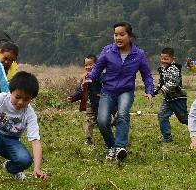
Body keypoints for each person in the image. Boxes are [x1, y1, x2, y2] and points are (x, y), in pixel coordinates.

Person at [86, 22, 155, 161]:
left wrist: (149, 90)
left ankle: (120, 146)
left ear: (129, 36)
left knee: (123, 113)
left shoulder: (139, 54)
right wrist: (90, 78)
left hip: (126, 91)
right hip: (108, 91)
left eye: (122, 34)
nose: (118, 37)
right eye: (116, 34)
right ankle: (112, 147)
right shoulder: (107, 50)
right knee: (102, 121)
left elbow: (147, 75)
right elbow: (97, 68)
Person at [67, 54, 101, 146]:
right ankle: (88, 139)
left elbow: (107, 87)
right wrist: (73, 97)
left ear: (97, 65)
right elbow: (80, 91)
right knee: (89, 120)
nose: (87, 67)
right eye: (86, 65)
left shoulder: (100, 76)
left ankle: (114, 121)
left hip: (101, 103)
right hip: (90, 104)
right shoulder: (83, 78)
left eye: (90, 64)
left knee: (103, 120)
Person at [156, 47, 187, 143]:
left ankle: (195, 124)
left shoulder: (175, 68)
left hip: (178, 98)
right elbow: (161, 82)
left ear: (173, 59)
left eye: (166, 59)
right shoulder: (162, 69)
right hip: (168, 99)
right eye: (162, 58)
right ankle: (167, 137)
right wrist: (154, 91)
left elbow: (173, 82)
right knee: (162, 115)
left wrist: (163, 90)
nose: (163, 61)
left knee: (183, 118)